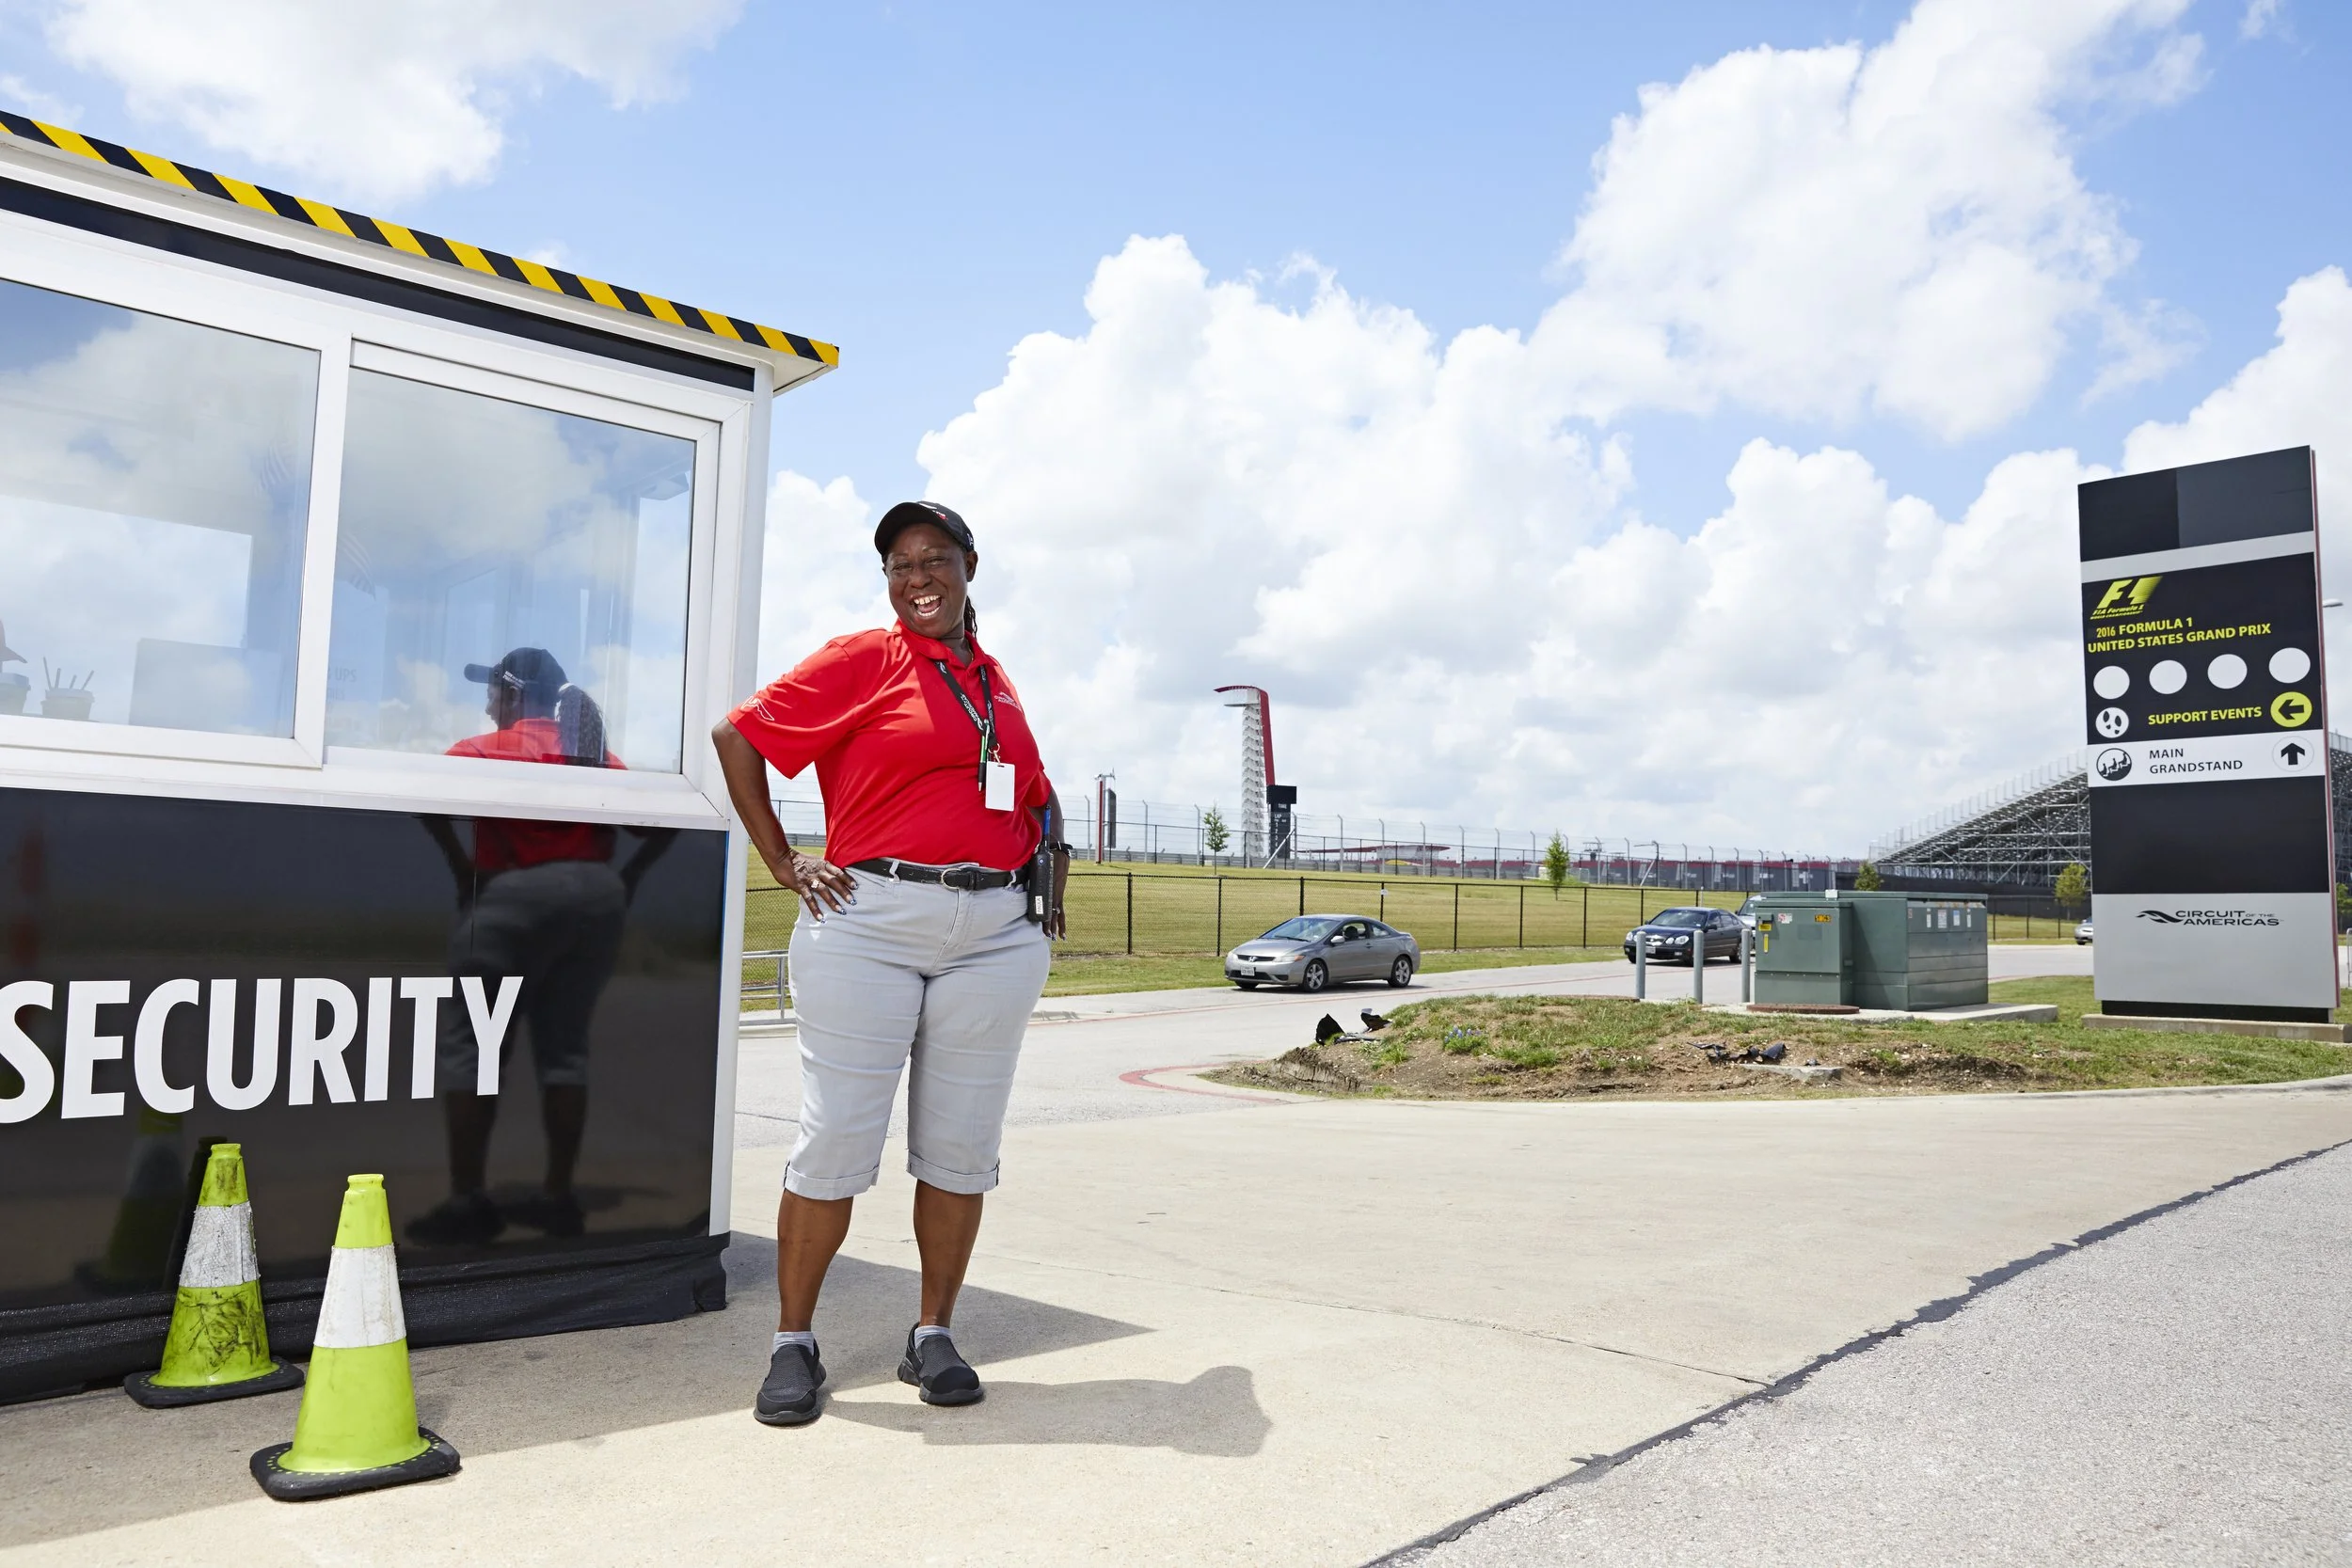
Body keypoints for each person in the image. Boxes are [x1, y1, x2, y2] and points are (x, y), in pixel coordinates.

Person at [712, 500, 1070, 1427]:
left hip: (992, 931)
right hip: (869, 918)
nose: (919, 577)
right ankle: (793, 1342)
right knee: (834, 1139)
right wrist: (783, 861)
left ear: (968, 566)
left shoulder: (994, 681)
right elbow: (738, 738)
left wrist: (1041, 905)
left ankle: (932, 1333)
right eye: (900, 563)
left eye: (935, 558)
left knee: (959, 1149)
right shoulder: (865, 658)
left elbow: (1033, 795)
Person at [408, 647, 667, 1246]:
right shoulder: (596, 755)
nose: (487, 701)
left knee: (476, 1046)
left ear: (512, 693)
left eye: (493, 690)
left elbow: (423, 797)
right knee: (566, 1054)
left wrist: (459, 867)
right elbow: (658, 825)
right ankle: (557, 1198)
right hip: (593, 900)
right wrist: (625, 879)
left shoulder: (482, 750)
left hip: (511, 898)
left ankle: (469, 1200)